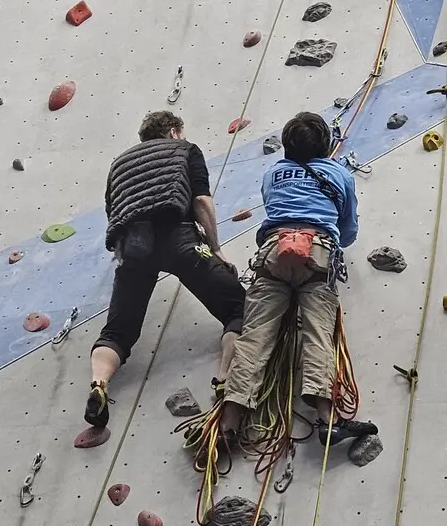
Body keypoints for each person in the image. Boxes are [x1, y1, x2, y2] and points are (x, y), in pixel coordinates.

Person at [217, 112, 377, 447]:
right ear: (325, 144)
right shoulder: (338, 173)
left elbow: (271, 205)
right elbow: (347, 230)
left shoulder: (274, 173)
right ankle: (328, 421)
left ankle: (228, 427)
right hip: (317, 255)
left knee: (255, 339)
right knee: (318, 335)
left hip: (274, 255)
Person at [86, 111, 246, 428]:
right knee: (237, 307)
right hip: (179, 238)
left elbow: (113, 212)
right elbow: (201, 200)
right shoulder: (184, 150)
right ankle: (226, 377)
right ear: (174, 132)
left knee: (117, 333)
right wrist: (216, 248)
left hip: (132, 250)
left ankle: (99, 383)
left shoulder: (118, 164)